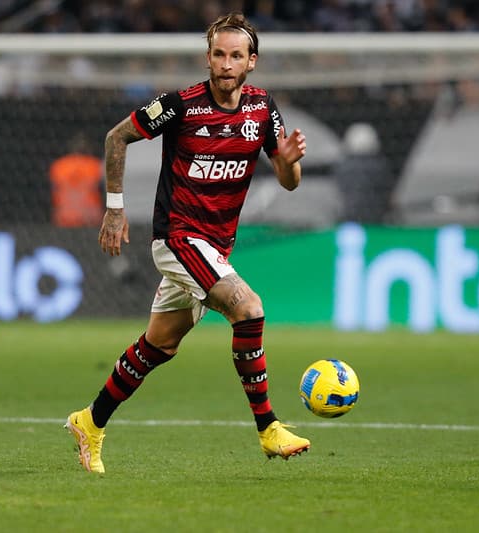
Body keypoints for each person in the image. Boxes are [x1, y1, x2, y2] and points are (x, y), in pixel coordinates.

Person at [64, 12, 310, 474]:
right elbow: (117, 137)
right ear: (208, 57)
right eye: (219, 54)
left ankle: (89, 422)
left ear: (251, 62)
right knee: (248, 309)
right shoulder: (181, 105)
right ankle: (269, 429)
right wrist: (115, 208)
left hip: (216, 247)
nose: (226, 64)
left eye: (236, 56)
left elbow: (288, 180)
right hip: (178, 238)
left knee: (159, 345)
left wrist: (290, 163)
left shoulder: (262, 108)